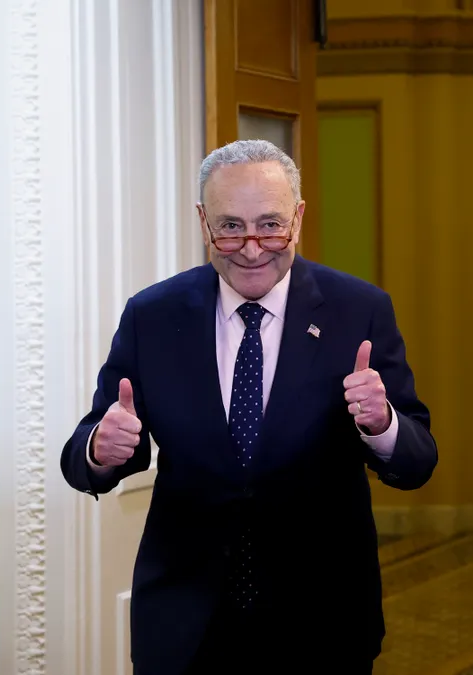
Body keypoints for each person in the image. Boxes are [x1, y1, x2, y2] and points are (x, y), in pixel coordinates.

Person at [59, 139, 438, 673]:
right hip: (184, 627)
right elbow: (83, 456)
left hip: (323, 624)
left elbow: (418, 462)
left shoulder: (360, 310)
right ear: (203, 221)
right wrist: (101, 447)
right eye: (231, 226)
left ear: (299, 218)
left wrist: (383, 425)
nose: (253, 247)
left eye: (271, 224)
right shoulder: (152, 315)